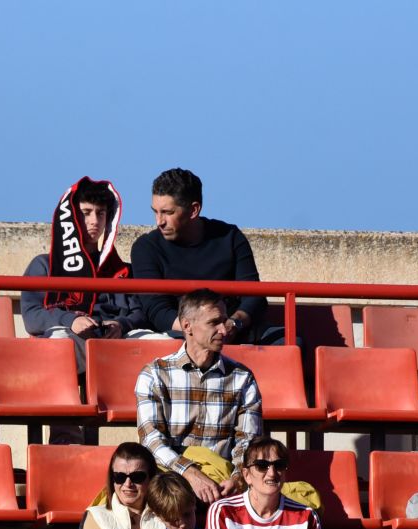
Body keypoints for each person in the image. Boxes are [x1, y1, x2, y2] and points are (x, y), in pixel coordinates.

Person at [133, 290, 264, 504]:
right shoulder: (155, 374)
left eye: (225, 321)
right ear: (187, 326)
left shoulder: (242, 377)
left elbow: (248, 441)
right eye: (214, 323)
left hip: (223, 483)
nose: (224, 329)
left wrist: (238, 477)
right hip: (170, 481)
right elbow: (151, 440)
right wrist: (191, 474)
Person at [128, 168, 273, 343]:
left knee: (290, 343)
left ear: (194, 210)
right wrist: (197, 332)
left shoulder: (230, 237)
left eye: (168, 212)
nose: (159, 221)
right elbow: (156, 309)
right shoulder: (146, 247)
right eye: (155, 211)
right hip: (181, 336)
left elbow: (255, 296)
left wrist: (234, 324)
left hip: (234, 332)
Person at [21, 177, 137, 370]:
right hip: (71, 339)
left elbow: (140, 313)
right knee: (60, 340)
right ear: (70, 217)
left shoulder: (121, 270)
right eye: (86, 213)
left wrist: (121, 325)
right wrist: (71, 321)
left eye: (101, 213)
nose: (94, 221)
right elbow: (32, 317)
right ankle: (59, 400)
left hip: (118, 342)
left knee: (158, 341)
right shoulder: (43, 265)